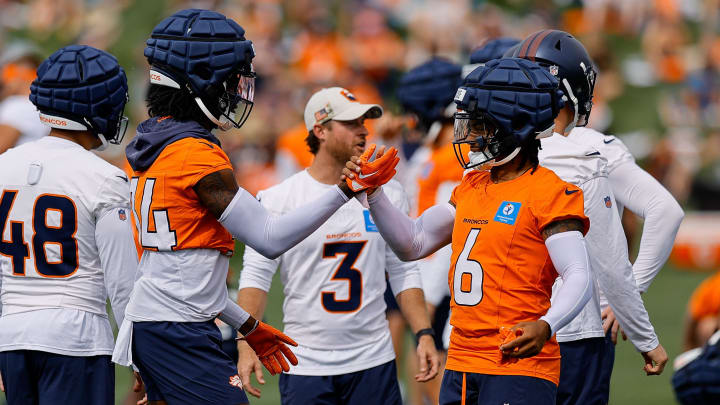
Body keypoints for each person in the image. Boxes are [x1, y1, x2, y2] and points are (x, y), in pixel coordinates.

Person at [110, 10, 387, 405]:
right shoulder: (195, 154)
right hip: (177, 328)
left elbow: (182, 276)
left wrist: (247, 323)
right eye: (228, 80)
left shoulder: (153, 144)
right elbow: (270, 238)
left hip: (165, 322)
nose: (235, 91)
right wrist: (346, 189)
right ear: (199, 81)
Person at [345, 57, 594, 405]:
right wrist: (375, 194)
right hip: (461, 358)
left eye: (480, 125)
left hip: (516, 360)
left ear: (513, 126)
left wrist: (547, 324)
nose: (470, 136)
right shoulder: (472, 185)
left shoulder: (550, 192)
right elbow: (413, 243)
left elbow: (579, 273)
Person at [237, 87, 439, 405]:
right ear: (320, 131)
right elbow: (256, 275)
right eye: (351, 123)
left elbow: (403, 270)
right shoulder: (280, 198)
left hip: (373, 359)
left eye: (364, 122)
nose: (363, 130)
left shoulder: (387, 193)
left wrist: (424, 333)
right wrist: (245, 340)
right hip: (305, 362)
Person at [510, 29, 679, 404]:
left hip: (503, 327)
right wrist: (630, 298)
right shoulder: (590, 150)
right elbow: (665, 211)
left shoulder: (494, 151)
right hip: (576, 331)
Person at [0, 44, 137, 405]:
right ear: (97, 106)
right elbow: (123, 284)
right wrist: (140, 357)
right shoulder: (105, 178)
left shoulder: (3, 166)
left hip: (12, 336)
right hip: (76, 338)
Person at [395, 57, 464, 405]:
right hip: (431, 270)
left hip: (434, 271)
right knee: (428, 353)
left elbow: (452, 224)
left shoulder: (444, 152)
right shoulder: (442, 151)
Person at [0, 41, 49, 153]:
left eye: (7, 71)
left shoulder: (17, 105)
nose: (3, 79)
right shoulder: (42, 106)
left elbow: (2, 145)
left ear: (20, 72)